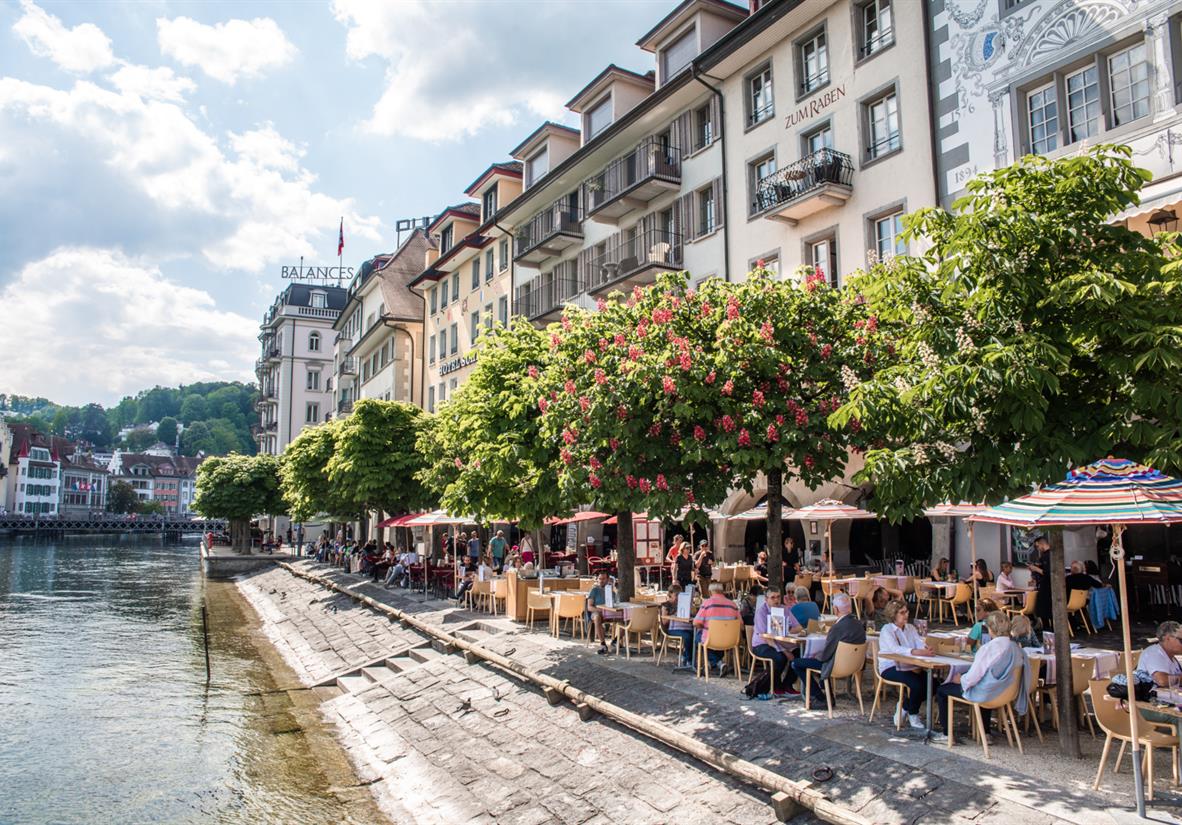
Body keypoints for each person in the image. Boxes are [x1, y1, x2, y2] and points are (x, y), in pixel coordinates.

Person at [932, 611, 1032, 744]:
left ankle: (946, 735)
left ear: (990, 629)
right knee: (986, 683)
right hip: (1007, 692)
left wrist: (960, 679)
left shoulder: (989, 648)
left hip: (989, 694)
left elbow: (973, 677)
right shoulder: (1016, 648)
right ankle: (986, 732)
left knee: (943, 690)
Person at [790, 593, 866, 708]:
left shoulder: (837, 628)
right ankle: (828, 697)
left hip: (836, 667)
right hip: (855, 666)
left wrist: (814, 656)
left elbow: (825, 655)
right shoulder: (859, 625)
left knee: (797, 663)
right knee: (822, 660)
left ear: (835, 609)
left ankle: (820, 697)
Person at [877, 599, 935, 729]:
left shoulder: (910, 628)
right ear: (894, 615)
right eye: (902, 613)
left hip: (910, 666)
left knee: (934, 683)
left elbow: (918, 641)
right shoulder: (887, 630)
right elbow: (895, 649)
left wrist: (925, 648)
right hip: (890, 666)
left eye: (907, 611)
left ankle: (905, 705)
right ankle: (913, 714)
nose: (906, 615)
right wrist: (915, 651)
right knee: (917, 684)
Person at [751, 587, 800, 696]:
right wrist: (785, 652)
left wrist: (787, 629)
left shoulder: (784, 609)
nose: (776, 600)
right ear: (766, 599)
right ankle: (775, 686)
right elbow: (766, 637)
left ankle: (787, 685)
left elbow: (798, 627)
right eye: (772, 597)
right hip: (761, 644)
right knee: (779, 658)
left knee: (799, 653)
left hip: (782, 642)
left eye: (778, 597)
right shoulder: (761, 612)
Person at [693, 582, 742, 676]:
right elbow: (741, 624)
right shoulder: (733, 605)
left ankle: (715, 664)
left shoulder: (707, 603)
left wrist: (703, 627)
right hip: (730, 640)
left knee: (698, 638)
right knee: (714, 642)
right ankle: (717, 664)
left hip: (711, 639)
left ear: (710, 592)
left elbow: (696, 623)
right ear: (722, 591)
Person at [660, 584, 695, 671]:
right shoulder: (666, 605)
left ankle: (686, 656)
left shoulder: (682, 604)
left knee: (696, 635)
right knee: (688, 636)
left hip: (684, 627)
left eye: (680, 595)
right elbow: (664, 622)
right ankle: (689, 660)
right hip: (671, 629)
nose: (678, 598)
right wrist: (675, 615)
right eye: (676, 595)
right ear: (670, 594)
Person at [1139, 620, 1182, 687]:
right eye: (1181, 640)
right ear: (1168, 638)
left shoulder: (1172, 658)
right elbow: (1162, 681)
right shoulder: (1154, 653)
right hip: (1152, 696)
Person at [586, 571, 614, 655]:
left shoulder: (611, 591)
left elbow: (616, 604)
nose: (601, 581)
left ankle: (616, 640)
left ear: (608, 579)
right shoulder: (594, 590)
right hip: (596, 613)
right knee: (597, 617)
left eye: (603, 579)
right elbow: (589, 607)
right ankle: (603, 645)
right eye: (599, 579)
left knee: (625, 617)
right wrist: (601, 610)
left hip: (609, 613)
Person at [1028, 536, 1053, 624]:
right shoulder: (1046, 555)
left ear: (1042, 544)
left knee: (1043, 609)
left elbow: (1047, 572)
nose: (1038, 549)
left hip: (1047, 586)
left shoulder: (1048, 555)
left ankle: (1048, 631)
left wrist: (1035, 568)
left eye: (1038, 546)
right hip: (1046, 585)